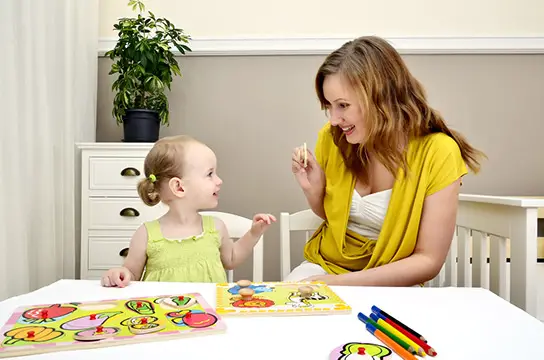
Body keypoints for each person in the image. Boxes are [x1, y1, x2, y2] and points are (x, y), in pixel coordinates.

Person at [288, 36, 485, 287]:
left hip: (392, 280)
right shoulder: (332, 138)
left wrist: (338, 284)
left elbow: (428, 261)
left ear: (381, 97)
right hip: (325, 267)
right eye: (329, 106)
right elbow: (332, 218)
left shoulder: (438, 152)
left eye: (343, 105)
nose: (334, 119)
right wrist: (313, 191)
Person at [101, 135, 276, 287]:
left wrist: (254, 233)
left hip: (209, 319)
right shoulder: (146, 234)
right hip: (165, 320)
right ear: (179, 187)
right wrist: (121, 274)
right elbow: (132, 273)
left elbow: (231, 259)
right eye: (210, 174)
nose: (219, 180)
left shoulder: (216, 227)